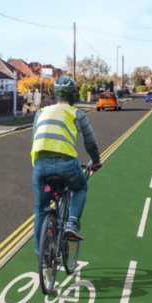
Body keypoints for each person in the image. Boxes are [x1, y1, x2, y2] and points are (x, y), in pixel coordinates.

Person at [31, 76, 102, 256]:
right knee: (80, 187)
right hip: (66, 163)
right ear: (73, 96)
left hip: (40, 164)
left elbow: (34, 139)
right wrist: (95, 161)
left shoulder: (41, 112)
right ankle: (71, 222)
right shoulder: (76, 113)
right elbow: (90, 143)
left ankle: (43, 255)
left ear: (55, 95)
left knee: (40, 209)